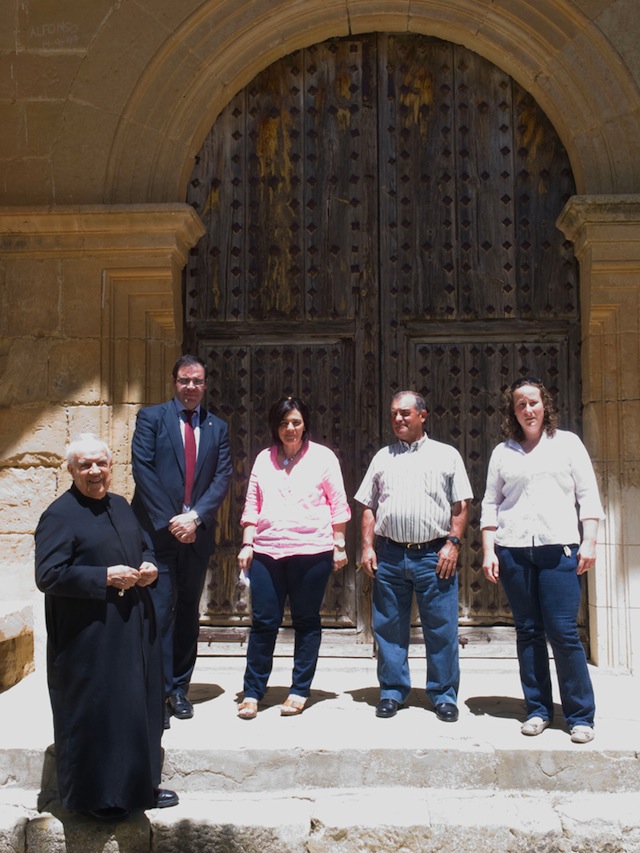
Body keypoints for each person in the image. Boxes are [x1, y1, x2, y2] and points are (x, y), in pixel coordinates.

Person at [35, 434, 177, 821]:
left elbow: (143, 545)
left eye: (101, 463)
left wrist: (148, 567)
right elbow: (48, 575)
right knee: (98, 713)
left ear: (112, 467)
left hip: (132, 625)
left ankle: (137, 788)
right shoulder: (59, 515)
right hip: (89, 636)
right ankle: (98, 798)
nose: (95, 471)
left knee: (136, 709)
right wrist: (103, 576)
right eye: (85, 465)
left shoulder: (119, 505)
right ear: (71, 470)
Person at [481, 377, 604, 744]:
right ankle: (537, 710)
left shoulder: (567, 444)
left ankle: (580, 715)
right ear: (512, 412)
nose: (528, 410)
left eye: (533, 402)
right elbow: (490, 503)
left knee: (563, 633)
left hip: (558, 550)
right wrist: (489, 550)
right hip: (515, 551)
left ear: (544, 405)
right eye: (520, 404)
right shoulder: (503, 452)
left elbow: (589, 496)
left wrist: (590, 542)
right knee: (529, 632)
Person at [355, 391, 472, 721]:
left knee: (442, 629)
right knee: (389, 628)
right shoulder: (382, 458)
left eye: (405, 413)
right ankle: (392, 691)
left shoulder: (446, 455)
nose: (398, 419)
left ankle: (443, 694)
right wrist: (366, 547)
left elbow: (461, 504)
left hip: (434, 556)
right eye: (393, 413)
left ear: (423, 416)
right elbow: (368, 506)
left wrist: (453, 543)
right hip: (390, 555)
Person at [131, 355, 232, 727]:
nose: (191, 387)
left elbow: (222, 476)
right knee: (157, 610)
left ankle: (178, 688)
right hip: (158, 535)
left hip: (196, 535)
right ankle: (153, 692)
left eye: (198, 381)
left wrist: (195, 518)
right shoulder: (151, 419)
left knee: (188, 610)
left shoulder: (217, 427)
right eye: (185, 380)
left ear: (206, 385)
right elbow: (142, 468)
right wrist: (172, 520)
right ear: (174, 382)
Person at [236, 396, 351, 719]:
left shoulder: (323, 458)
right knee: (264, 622)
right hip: (267, 551)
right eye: (284, 423)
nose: (290, 428)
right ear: (276, 425)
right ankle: (253, 692)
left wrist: (338, 544)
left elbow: (337, 504)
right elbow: (252, 505)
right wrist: (247, 544)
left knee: (306, 621)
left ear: (305, 425)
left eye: (296, 422)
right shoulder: (263, 459)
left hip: (311, 552)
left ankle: (300, 689)